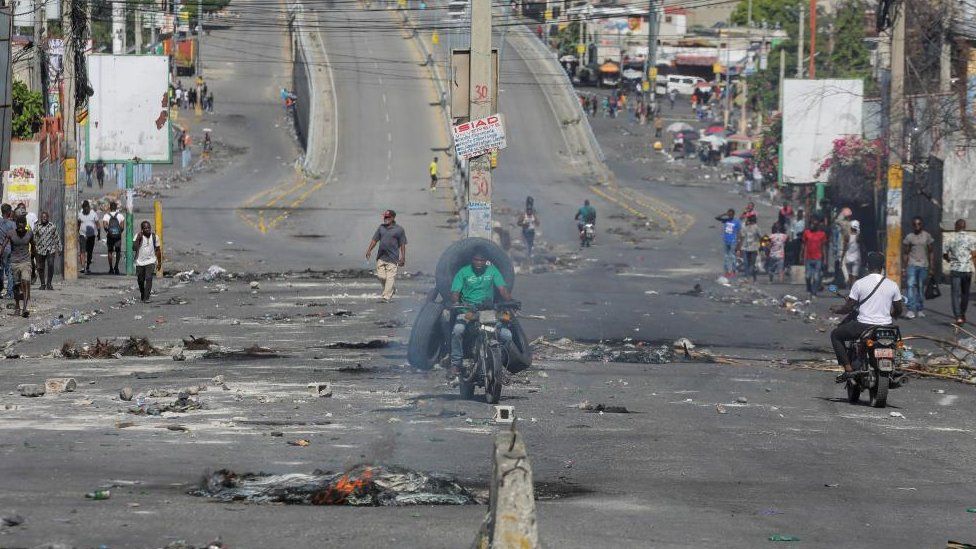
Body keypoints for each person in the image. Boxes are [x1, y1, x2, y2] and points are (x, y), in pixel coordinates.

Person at [829, 251, 904, 383]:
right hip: (885, 327)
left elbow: (848, 308)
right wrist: (889, 315)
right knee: (895, 344)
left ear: (867, 266)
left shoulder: (860, 283)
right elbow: (898, 310)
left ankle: (848, 370)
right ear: (882, 267)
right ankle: (894, 365)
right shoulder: (892, 285)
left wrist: (836, 309)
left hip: (863, 327)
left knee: (835, 335)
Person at [449, 250, 513, 376]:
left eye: (482, 260)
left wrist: (510, 302)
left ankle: (499, 362)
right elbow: (455, 292)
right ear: (472, 260)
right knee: (458, 330)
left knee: (507, 335)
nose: (479, 262)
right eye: (476, 260)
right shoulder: (463, 272)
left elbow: (502, 288)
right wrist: (456, 303)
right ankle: (456, 363)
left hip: (488, 311)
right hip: (468, 311)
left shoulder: (492, 271)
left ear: (486, 261)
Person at [364, 209, 407, 303]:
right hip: (381, 257)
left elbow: (403, 244)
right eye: (385, 217)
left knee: (390, 277)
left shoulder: (399, 230)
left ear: (393, 218)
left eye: (387, 217)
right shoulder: (381, 228)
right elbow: (374, 240)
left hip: (393, 258)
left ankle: (386, 297)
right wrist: (369, 250)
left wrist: (403, 257)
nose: (385, 218)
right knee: (381, 277)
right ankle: (391, 289)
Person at [944, 219, 976, 325]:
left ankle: (958, 317)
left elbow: (944, 253)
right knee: (965, 294)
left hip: (955, 269)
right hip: (967, 270)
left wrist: (949, 260)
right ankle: (962, 314)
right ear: (965, 226)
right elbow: (974, 255)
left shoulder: (950, 239)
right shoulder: (971, 238)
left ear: (955, 226)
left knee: (955, 294)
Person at [902, 216, 934, 319]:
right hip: (912, 264)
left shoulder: (927, 236)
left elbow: (931, 252)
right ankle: (910, 309)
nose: (917, 226)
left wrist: (932, 267)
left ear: (922, 225)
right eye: (915, 224)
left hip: (923, 265)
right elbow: (906, 253)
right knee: (910, 285)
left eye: (919, 224)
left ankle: (920, 309)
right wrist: (903, 267)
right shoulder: (909, 237)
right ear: (912, 225)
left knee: (920, 287)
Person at [4, 216, 33, 317]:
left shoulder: (30, 233)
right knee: (16, 286)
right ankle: (17, 306)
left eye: (22, 225)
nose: (20, 227)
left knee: (25, 281)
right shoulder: (11, 233)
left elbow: (34, 247)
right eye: (18, 225)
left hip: (26, 262)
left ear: (25, 225)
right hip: (14, 262)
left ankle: (25, 308)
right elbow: (3, 246)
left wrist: (36, 263)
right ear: (16, 225)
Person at [133, 221, 162, 303]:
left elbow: (158, 250)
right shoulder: (138, 236)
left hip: (151, 261)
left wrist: (159, 262)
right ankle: (143, 293)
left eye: (148, 227)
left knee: (149, 278)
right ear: (142, 229)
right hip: (139, 262)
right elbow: (134, 248)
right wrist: (138, 238)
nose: (147, 229)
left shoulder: (155, 237)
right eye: (145, 228)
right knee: (140, 280)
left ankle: (146, 298)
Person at [33, 211, 60, 290]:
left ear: (48, 217)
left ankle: (49, 283)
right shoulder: (37, 226)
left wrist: (59, 248)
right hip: (40, 249)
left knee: (51, 264)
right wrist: (34, 247)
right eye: (42, 217)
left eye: (45, 217)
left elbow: (57, 237)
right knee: (40, 267)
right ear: (41, 218)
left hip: (50, 249)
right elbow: (33, 237)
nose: (44, 218)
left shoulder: (52, 226)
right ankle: (42, 284)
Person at [800, 218, 828, 297]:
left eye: (814, 224)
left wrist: (825, 259)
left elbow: (824, 248)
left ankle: (814, 292)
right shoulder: (806, 233)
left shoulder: (822, 234)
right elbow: (803, 245)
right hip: (808, 258)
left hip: (818, 258)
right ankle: (809, 288)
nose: (812, 226)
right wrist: (801, 256)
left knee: (816, 277)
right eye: (811, 224)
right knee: (807, 276)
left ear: (817, 226)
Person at [715, 209, 741, 278]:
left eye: (731, 215)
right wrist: (724, 214)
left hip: (733, 241)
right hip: (726, 240)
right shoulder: (726, 220)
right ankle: (726, 272)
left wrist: (738, 243)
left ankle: (733, 271)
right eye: (729, 215)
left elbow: (739, 232)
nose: (730, 216)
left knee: (732, 257)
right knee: (726, 257)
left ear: (733, 214)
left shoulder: (737, 222)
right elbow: (717, 218)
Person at [77, 200, 99, 275]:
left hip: (91, 236)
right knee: (82, 251)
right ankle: (83, 267)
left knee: (90, 252)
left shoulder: (93, 214)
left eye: (87, 208)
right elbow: (78, 224)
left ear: (89, 207)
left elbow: (97, 224)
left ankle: (88, 266)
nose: (85, 210)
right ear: (83, 208)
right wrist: (77, 234)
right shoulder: (80, 214)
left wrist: (98, 234)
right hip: (82, 235)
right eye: (84, 208)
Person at [102, 201, 125, 274]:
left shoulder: (106, 215)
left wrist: (109, 232)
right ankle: (116, 267)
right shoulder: (120, 216)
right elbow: (122, 227)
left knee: (110, 252)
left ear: (110, 207)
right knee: (118, 252)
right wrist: (118, 232)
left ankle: (111, 268)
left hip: (110, 236)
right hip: (118, 236)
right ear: (116, 207)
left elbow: (105, 226)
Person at [737, 216, 762, 282]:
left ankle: (750, 277)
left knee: (749, 264)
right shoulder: (752, 227)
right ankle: (749, 278)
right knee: (749, 264)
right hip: (750, 248)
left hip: (750, 248)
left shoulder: (751, 228)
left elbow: (741, 238)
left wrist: (739, 249)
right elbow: (760, 237)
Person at [841, 220, 862, 289]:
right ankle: (853, 291)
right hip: (856, 259)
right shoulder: (858, 237)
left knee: (850, 275)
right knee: (855, 277)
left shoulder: (847, 236)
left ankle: (850, 289)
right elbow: (862, 247)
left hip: (848, 258)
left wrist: (842, 259)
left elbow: (844, 248)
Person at [0, 205, 15, 298]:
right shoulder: (12, 224)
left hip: (0, 249)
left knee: (0, 271)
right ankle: (10, 292)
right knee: (10, 271)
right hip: (9, 249)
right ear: (9, 212)